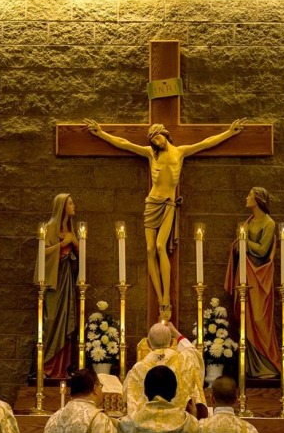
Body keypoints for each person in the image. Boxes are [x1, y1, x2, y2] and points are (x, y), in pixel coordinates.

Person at [84, 117, 247, 319]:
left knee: (161, 247)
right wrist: (101, 133)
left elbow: (206, 143)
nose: (156, 142)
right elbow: (125, 144)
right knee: (150, 249)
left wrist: (230, 132)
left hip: (169, 204)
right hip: (152, 203)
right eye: (152, 140)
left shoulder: (180, 152)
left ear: (165, 133)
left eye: (158, 137)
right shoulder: (151, 155)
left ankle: (166, 298)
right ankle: (160, 296)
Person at [224, 186, 281, 378]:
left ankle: (268, 365)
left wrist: (243, 239)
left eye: (249, 195)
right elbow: (240, 249)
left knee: (259, 319)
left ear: (257, 199)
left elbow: (263, 250)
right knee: (245, 318)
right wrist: (239, 244)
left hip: (260, 277)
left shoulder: (269, 223)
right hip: (245, 276)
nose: (246, 197)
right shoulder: (247, 223)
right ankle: (251, 367)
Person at [34, 193, 80, 378]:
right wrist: (63, 244)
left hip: (67, 280)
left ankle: (63, 368)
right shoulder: (49, 228)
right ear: (61, 206)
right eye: (70, 202)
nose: (73, 205)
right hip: (54, 282)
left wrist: (77, 244)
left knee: (67, 320)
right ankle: (46, 366)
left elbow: (79, 259)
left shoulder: (72, 230)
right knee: (51, 320)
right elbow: (42, 255)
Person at [123, 321, 206, 418]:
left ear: (148, 343)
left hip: (146, 426)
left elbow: (127, 397)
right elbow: (194, 353)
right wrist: (175, 332)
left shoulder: (137, 369)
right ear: (171, 342)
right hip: (180, 424)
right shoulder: (185, 361)